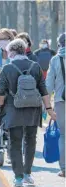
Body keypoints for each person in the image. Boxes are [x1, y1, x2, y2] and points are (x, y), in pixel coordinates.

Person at [0, 39, 56, 187]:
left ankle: (17, 177)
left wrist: (0, 109)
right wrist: (49, 109)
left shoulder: (7, 68)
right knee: (30, 141)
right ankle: (27, 174)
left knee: (15, 142)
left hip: (13, 109)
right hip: (33, 109)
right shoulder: (35, 66)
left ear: (11, 52)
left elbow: (1, 93)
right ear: (24, 50)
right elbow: (43, 90)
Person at [46, 33, 66, 177]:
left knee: (63, 135)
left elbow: (48, 84)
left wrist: (46, 105)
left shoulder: (55, 59)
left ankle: (64, 168)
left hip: (61, 101)